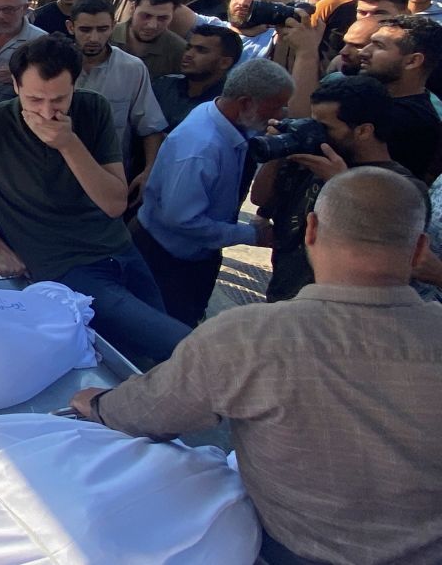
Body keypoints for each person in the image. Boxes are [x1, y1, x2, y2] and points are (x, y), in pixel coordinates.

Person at [71, 166, 442, 565]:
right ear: (420, 251)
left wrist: (96, 403)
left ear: (311, 230)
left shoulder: (246, 337)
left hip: (288, 550)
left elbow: (146, 413)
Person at [0, 34, 191, 361]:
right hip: (65, 267)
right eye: (35, 100)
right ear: (15, 86)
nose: (47, 111)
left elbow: (113, 203)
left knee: (162, 350)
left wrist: (68, 144)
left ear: (74, 85)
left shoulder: (92, 108)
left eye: (58, 100)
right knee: (180, 345)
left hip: (119, 249)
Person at [133, 58, 292, 326]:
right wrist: (252, 234)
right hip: (165, 261)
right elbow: (182, 219)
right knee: (165, 335)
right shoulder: (201, 148)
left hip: (190, 256)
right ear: (245, 103)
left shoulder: (219, 115)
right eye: (276, 105)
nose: (282, 113)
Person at [255, 76, 419, 303]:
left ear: (363, 131)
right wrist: (276, 154)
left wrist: (342, 182)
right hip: (284, 296)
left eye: (325, 127)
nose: (314, 132)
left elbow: (384, 250)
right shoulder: (314, 157)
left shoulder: (398, 186)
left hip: (341, 311)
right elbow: (260, 198)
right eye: (313, 122)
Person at [69, 0, 167, 188]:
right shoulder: (54, 66)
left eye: (102, 29)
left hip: (110, 179)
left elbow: (151, 127)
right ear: (70, 27)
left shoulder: (132, 68)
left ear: (113, 26)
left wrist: (149, 172)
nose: (94, 38)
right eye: (85, 30)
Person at [358, 15, 442, 180]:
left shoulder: (410, 120)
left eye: (378, 46)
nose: (365, 51)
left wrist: (307, 55)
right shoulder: (380, 101)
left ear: (412, 61)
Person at [152, 24, 241, 130]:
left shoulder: (229, 106)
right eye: (188, 48)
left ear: (225, 63)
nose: (188, 54)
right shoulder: (163, 85)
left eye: (201, 50)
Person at [110, 0, 186, 80]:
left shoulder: (179, 51)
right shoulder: (105, 37)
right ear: (132, 8)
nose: (152, 25)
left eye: (162, 18)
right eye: (146, 16)